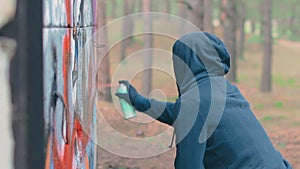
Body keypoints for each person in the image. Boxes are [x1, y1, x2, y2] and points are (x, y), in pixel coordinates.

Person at [116, 32, 292, 169]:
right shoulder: (227, 90)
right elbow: (185, 114)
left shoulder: (193, 102)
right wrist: (139, 101)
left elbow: (188, 165)